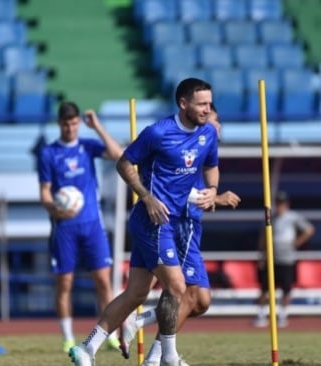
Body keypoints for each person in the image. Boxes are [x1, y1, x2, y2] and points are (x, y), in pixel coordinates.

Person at [69, 77, 219, 366]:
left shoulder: (208, 134)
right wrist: (147, 198)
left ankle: (86, 348)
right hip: (152, 220)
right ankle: (168, 359)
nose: (206, 109)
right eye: (201, 104)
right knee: (177, 287)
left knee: (136, 293)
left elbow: (212, 167)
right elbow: (124, 163)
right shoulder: (158, 133)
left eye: (209, 104)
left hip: (175, 222)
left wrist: (212, 190)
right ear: (183, 103)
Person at [117, 105, 241, 365]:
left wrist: (214, 195)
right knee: (186, 293)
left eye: (216, 121)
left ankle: (141, 324)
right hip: (180, 224)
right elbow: (181, 194)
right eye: (214, 120)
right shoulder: (186, 146)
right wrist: (218, 196)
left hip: (191, 225)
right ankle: (157, 357)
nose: (216, 126)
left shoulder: (205, 150)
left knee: (200, 300)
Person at [37, 102, 123, 353]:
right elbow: (44, 193)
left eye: (74, 123)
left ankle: (110, 335)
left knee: (103, 282)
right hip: (64, 228)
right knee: (64, 284)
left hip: (92, 225)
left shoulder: (87, 146)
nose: (71, 128)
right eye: (66, 123)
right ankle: (67, 338)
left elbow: (117, 154)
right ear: (59, 124)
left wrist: (97, 126)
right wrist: (56, 209)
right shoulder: (49, 153)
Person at [253, 190, 315, 328]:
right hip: (272, 257)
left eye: (282, 203)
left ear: (286, 204)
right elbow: (264, 236)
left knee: (286, 288)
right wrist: (262, 254)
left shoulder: (293, 217)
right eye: (278, 203)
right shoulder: (271, 217)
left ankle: (282, 315)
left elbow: (309, 229)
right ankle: (261, 314)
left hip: (287, 258)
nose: (279, 206)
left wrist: (297, 242)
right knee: (265, 288)